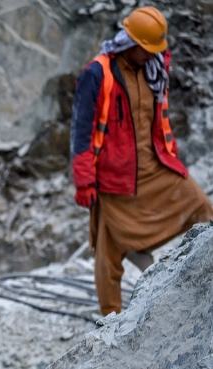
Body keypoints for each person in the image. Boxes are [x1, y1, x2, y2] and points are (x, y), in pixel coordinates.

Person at [70, 6, 213, 316]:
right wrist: (84, 180)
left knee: (202, 206)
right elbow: (80, 132)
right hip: (113, 178)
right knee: (108, 254)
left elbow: (158, 117)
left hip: (155, 166)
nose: (152, 54)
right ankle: (110, 320)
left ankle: (201, 289)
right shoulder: (97, 74)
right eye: (146, 49)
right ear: (130, 43)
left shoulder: (155, 67)